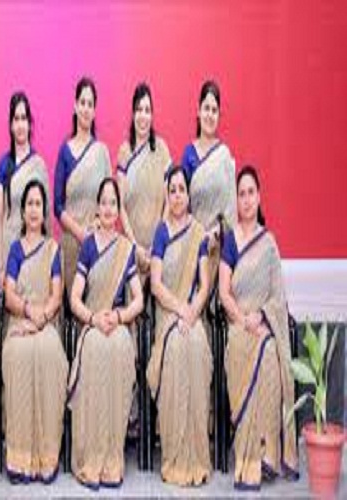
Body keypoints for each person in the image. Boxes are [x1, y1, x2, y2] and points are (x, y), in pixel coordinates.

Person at [219, 165, 299, 490]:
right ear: (236, 200)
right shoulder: (230, 240)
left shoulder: (268, 243)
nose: (247, 199)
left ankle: (268, 452)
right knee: (256, 347)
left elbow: (278, 296)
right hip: (238, 325)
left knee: (269, 353)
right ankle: (250, 454)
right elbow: (224, 292)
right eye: (241, 194)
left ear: (259, 197)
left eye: (251, 192)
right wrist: (243, 319)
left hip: (263, 324)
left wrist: (262, 317)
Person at [67, 178, 143, 489]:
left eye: (114, 202)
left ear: (118, 208)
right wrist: (93, 317)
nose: (109, 208)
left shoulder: (126, 249)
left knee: (121, 349)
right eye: (104, 202)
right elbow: (74, 298)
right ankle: (91, 456)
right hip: (93, 324)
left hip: (118, 324)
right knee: (96, 350)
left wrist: (119, 316)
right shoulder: (88, 246)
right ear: (97, 208)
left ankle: (112, 457)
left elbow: (138, 299)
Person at [147, 167, 212, 486]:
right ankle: (174, 453)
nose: (176, 195)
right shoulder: (161, 232)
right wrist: (178, 310)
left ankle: (197, 453)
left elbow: (205, 284)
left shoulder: (198, 233)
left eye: (181, 189)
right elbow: (156, 284)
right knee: (174, 348)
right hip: (168, 313)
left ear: (188, 194)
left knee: (197, 345)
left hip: (192, 314)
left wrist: (192, 312)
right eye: (171, 190)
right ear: (167, 195)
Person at [2, 180, 68, 484]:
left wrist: (41, 318)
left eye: (38, 204)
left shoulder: (53, 249)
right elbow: (9, 294)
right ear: (22, 211)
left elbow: (57, 294)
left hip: (46, 322)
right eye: (28, 203)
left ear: (44, 211)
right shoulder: (16, 249)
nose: (33, 209)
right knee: (19, 354)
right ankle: (20, 458)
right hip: (20, 321)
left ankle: (47, 456)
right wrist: (29, 312)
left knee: (49, 353)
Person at [54, 77, 111, 295]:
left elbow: (109, 198)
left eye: (90, 104)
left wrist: (96, 226)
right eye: (82, 103)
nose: (86, 109)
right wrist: (80, 233)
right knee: (73, 304)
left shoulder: (101, 152)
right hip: (71, 242)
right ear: (75, 106)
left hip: (99, 239)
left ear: (95, 111)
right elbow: (57, 205)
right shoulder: (65, 151)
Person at [180, 80, 236, 288]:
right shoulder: (188, 154)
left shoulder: (224, 156)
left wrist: (216, 232)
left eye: (214, 110)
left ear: (219, 115)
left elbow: (231, 208)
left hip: (220, 245)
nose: (210, 115)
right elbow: (181, 203)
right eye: (206, 108)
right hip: (193, 246)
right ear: (198, 111)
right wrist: (197, 235)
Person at [0, 91, 51, 283]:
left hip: (36, 254)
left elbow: (47, 216)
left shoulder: (39, 165)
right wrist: (0, 266)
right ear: (11, 125)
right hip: (10, 251)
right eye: (16, 119)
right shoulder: (3, 165)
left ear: (30, 124)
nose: (20, 125)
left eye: (24, 118)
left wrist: (48, 259)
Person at [117, 82, 172, 280]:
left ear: (152, 115)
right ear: (133, 114)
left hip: (159, 250)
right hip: (130, 250)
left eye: (147, 110)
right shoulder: (124, 152)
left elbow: (170, 201)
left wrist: (157, 244)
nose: (143, 115)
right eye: (139, 109)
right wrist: (135, 246)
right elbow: (120, 206)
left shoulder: (161, 150)